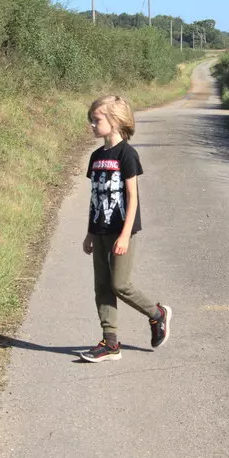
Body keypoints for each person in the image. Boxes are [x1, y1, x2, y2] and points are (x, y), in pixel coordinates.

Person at [80, 95, 172, 362]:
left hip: (122, 230)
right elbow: (95, 196)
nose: (92, 125)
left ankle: (157, 314)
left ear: (115, 120)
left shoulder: (127, 154)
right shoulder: (96, 156)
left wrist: (124, 234)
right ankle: (110, 343)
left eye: (96, 120)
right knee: (102, 286)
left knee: (120, 284)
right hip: (99, 229)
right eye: (91, 120)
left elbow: (133, 197)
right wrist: (89, 232)